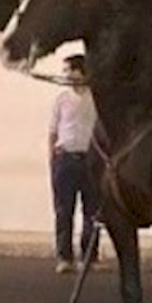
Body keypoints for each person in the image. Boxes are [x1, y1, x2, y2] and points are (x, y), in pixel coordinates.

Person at [49, 54, 98, 273]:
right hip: (65, 159)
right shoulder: (61, 98)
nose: (67, 75)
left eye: (70, 70)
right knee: (63, 210)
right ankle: (64, 257)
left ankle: (88, 256)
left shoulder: (96, 97)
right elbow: (52, 131)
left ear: (82, 71)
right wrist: (52, 159)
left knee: (92, 212)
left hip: (90, 160)